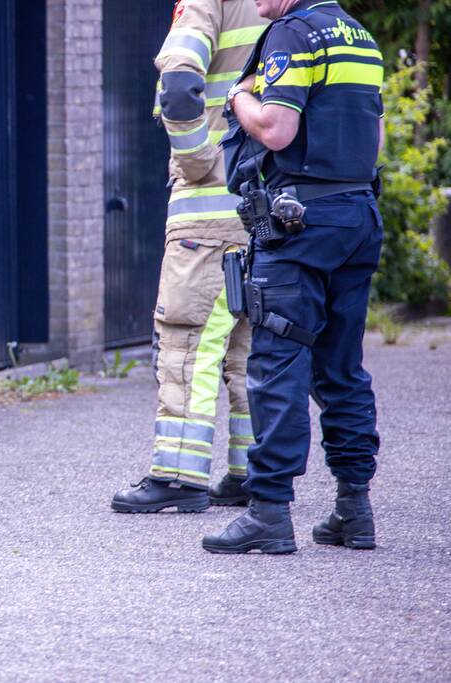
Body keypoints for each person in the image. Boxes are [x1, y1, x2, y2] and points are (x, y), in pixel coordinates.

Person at [203, 0, 384, 553]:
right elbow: (374, 142)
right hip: (356, 216)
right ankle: (354, 509)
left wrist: (237, 96)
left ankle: (269, 512)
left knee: (278, 360)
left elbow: (277, 130)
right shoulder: (359, 38)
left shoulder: (291, 33)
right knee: (341, 364)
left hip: (298, 222)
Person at [112, 0, 267, 513]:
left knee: (186, 343)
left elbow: (178, 83)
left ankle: (179, 475)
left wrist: (198, 159)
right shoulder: (295, 8)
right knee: (249, 349)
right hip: (267, 211)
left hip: (207, 216)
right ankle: (251, 473)